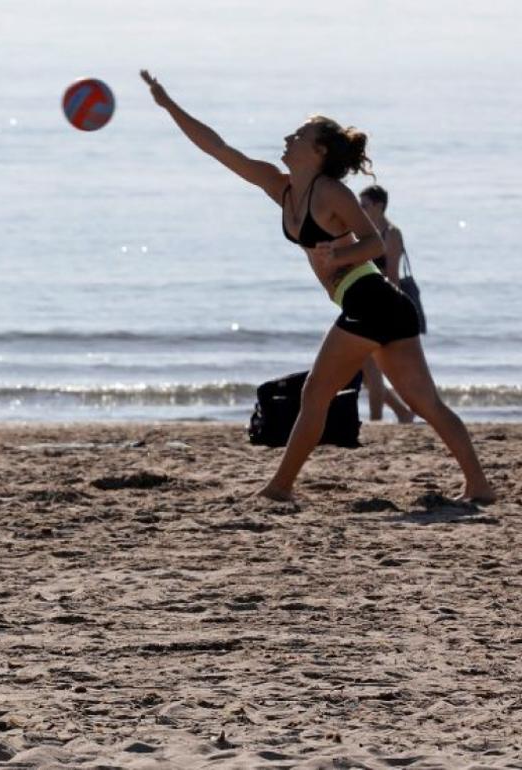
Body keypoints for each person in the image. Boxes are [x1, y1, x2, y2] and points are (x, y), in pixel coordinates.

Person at [140, 70, 495, 504]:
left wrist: (338, 257)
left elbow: (374, 243)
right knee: (424, 404)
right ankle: (479, 485)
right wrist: (168, 105)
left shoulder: (331, 193)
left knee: (317, 394)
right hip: (380, 306)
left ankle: (280, 488)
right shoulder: (282, 188)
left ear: (319, 151)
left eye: (300, 134)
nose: (288, 137)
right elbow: (218, 149)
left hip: (371, 300)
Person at [358, 184, 414, 422]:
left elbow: (392, 277)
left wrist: (391, 314)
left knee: (371, 368)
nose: (360, 210)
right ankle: (402, 412)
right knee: (365, 370)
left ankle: (376, 422)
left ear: (379, 206)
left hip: (382, 306)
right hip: (362, 303)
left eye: (365, 205)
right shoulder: (364, 233)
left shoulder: (391, 233)